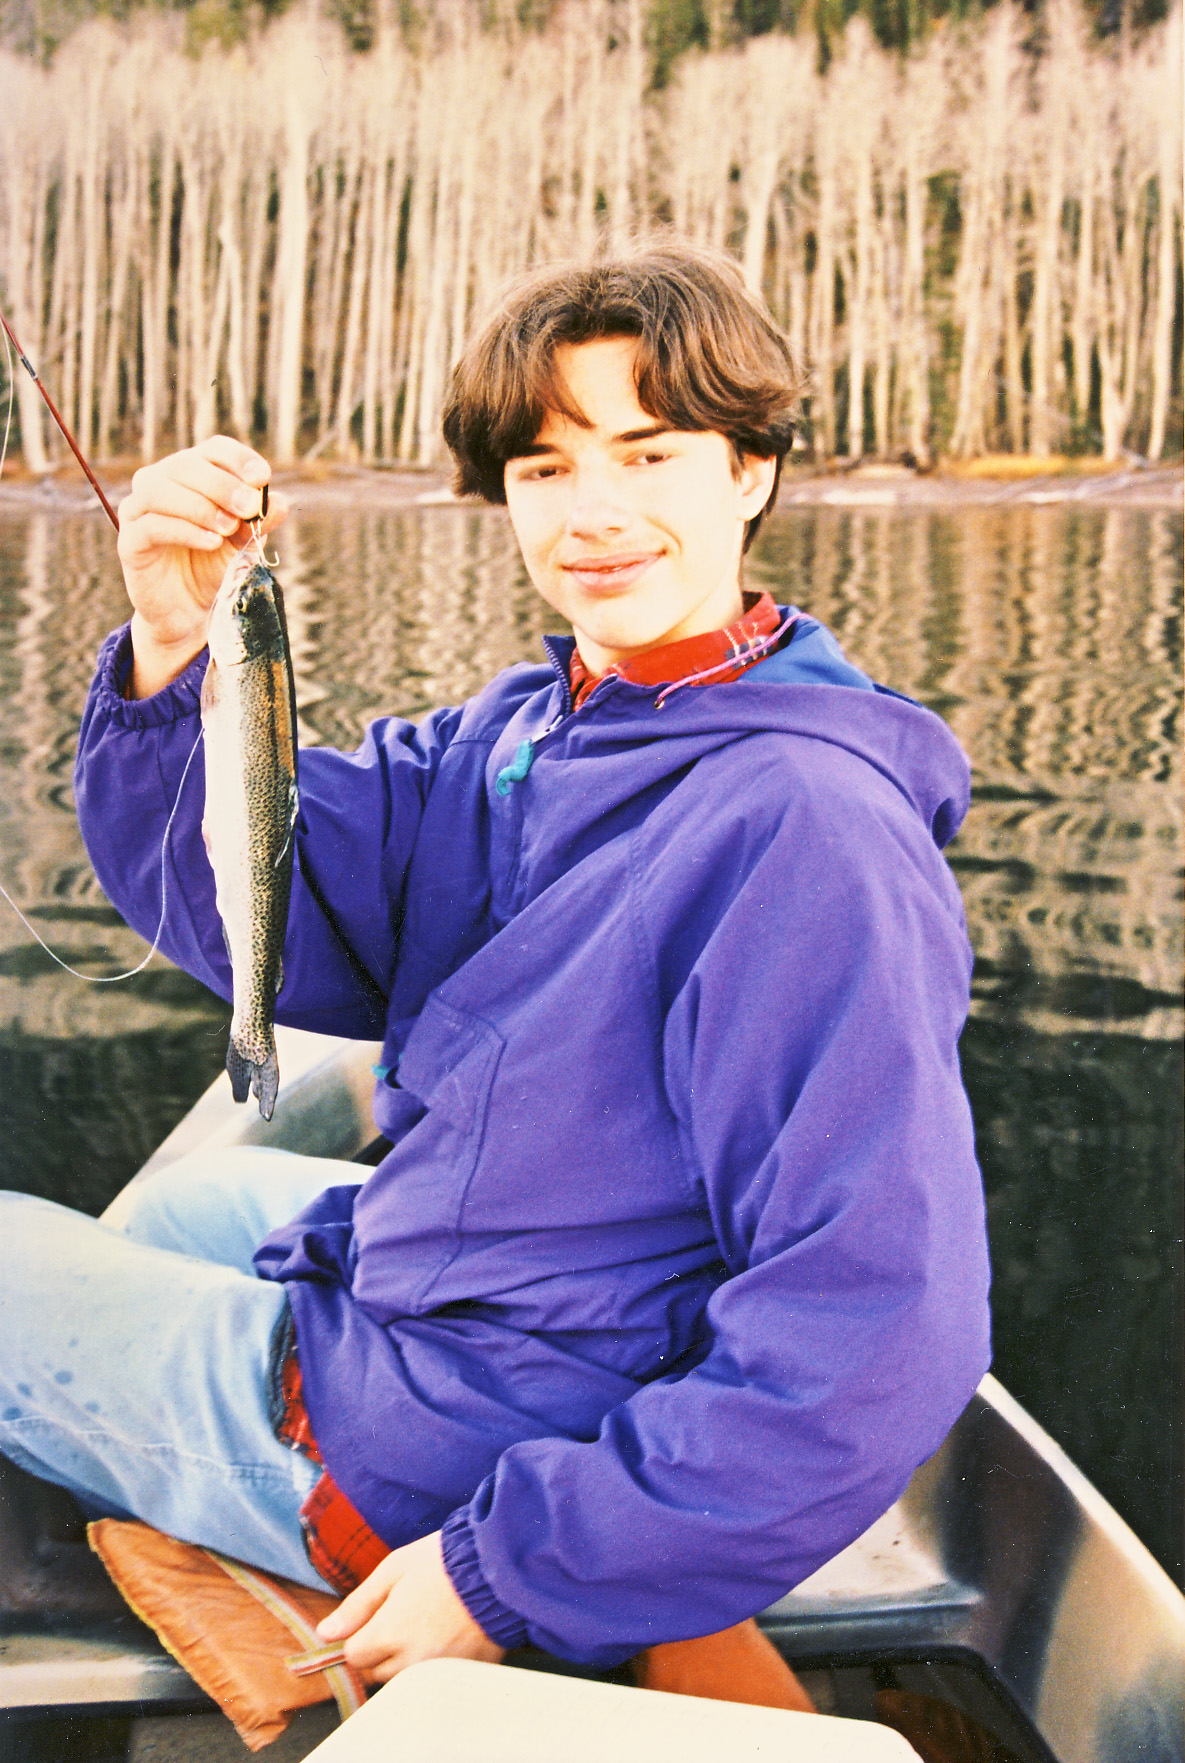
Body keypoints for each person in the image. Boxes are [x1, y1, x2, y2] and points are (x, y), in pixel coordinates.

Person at [0, 243, 990, 1684]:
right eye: (543, 468)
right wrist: (173, 642)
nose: (593, 514)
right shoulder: (534, 727)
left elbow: (884, 1320)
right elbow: (269, 891)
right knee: (197, 1199)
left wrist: (505, 1570)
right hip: (528, 1317)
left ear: (751, 472)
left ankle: (338, 1525)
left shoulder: (808, 828)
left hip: (461, 1456)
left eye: (647, 453)